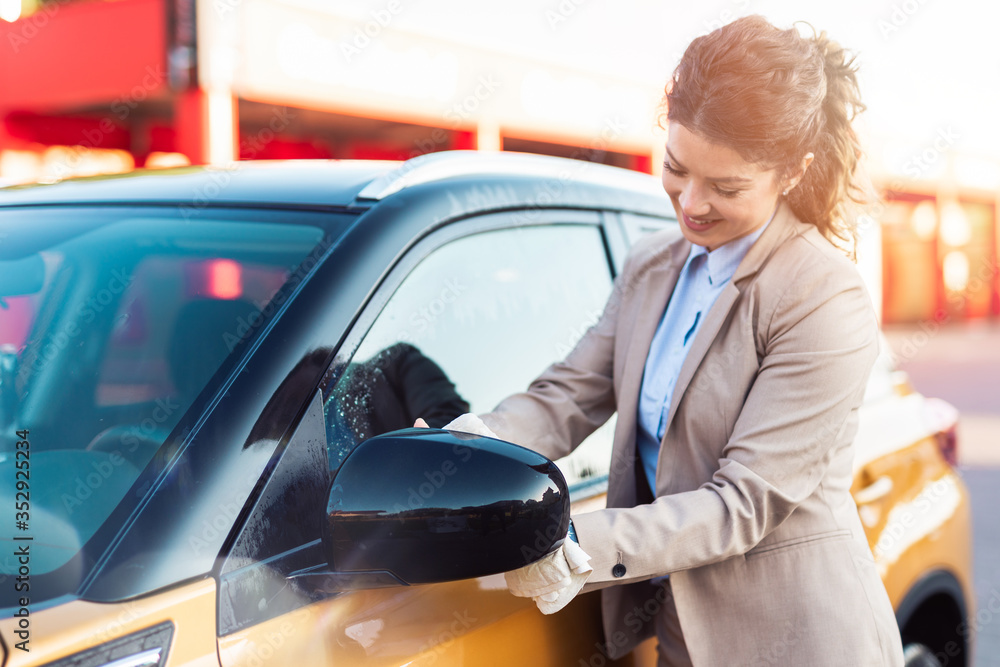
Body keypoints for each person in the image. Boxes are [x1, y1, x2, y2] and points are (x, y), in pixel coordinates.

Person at [418, 15, 903, 666]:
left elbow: (742, 502)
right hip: (681, 637)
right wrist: (464, 449)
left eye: (726, 187)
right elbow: (567, 395)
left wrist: (566, 542)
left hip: (801, 639)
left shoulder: (824, 296)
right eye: (675, 168)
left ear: (792, 172)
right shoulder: (653, 264)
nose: (691, 203)